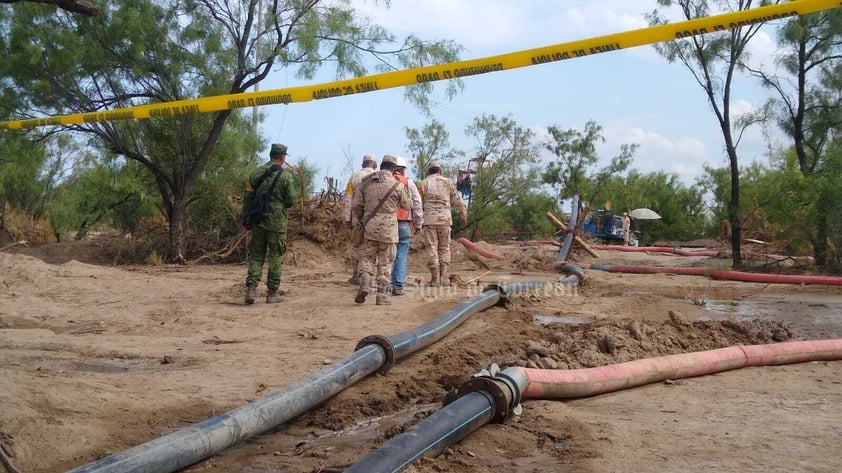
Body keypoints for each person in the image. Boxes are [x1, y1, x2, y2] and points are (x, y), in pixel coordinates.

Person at [242, 143, 298, 304]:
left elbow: (247, 197)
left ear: (270, 155)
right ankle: (272, 293)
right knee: (276, 256)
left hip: (258, 220)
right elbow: (290, 201)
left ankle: (251, 289)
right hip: (277, 223)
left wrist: (246, 220)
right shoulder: (286, 176)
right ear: (282, 157)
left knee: (257, 255)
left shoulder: (257, 172)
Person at [351, 155, 410, 305]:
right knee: (386, 262)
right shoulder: (398, 185)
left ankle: (364, 284)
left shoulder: (365, 183)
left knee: (366, 258)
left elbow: (356, 205)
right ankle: (381, 296)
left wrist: (358, 220)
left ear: (380, 166)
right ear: (394, 169)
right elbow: (407, 205)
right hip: (389, 230)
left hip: (369, 227)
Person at [419, 160, 467, 287]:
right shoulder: (448, 182)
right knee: (445, 248)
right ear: (440, 171)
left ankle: (434, 279)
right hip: (445, 220)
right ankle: (443, 277)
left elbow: (418, 203)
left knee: (432, 248)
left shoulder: (423, 184)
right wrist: (463, 214)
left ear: (429, 171)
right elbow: (458, 200)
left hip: (429, 220)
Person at [390, 156, 424, 296]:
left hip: (387, 224)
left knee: (384, 255)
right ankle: (398, 285)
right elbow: (417, 203)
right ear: (403, 169)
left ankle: (382, 283)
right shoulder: (408, 183)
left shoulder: (384, 183)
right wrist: (419, 223)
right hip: (404, 224)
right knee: (401, 255)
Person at [343, 154, 379, 285]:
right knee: (373, 247)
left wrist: (348, 218)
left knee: (357, 245)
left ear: (362, 165)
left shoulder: (354, 178)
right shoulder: (378, 177)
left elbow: (348, 199)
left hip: (357, 219)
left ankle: (356, 275)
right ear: (375, 165)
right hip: (374, 219)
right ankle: (371, 276)